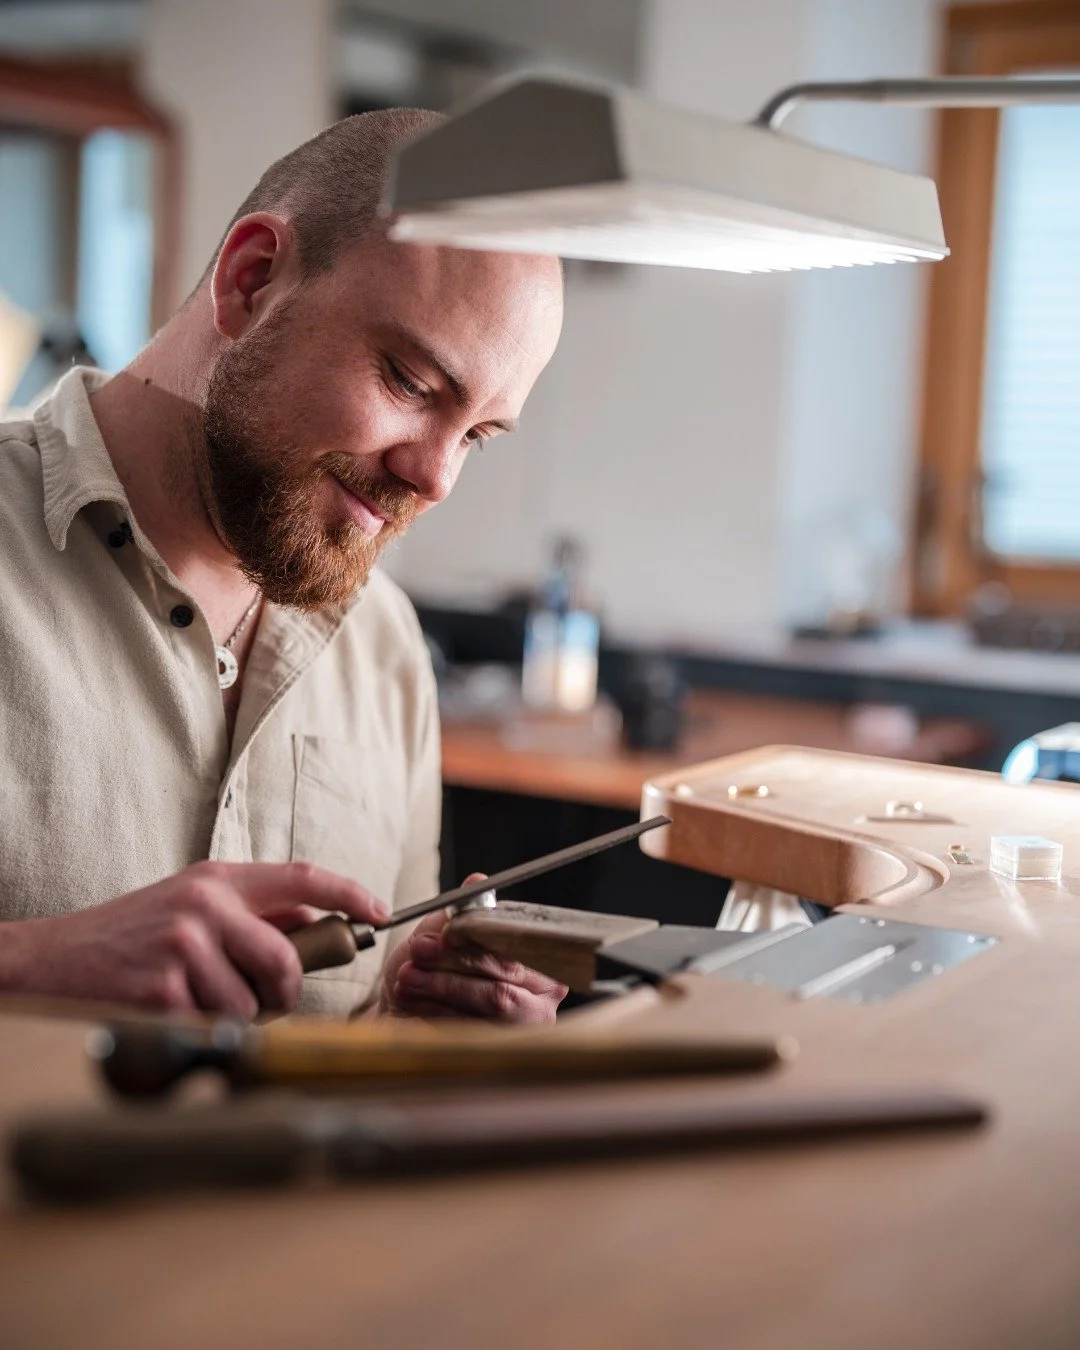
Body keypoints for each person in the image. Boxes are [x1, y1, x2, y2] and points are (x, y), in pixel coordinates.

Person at [0, 108, 567, 1022]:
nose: (434, 476)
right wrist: (26, 963)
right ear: (252, 278)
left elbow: (352, 1043)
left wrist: (422, 1036)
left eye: (479, 437)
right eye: (411, 386)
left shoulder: (387, 649)